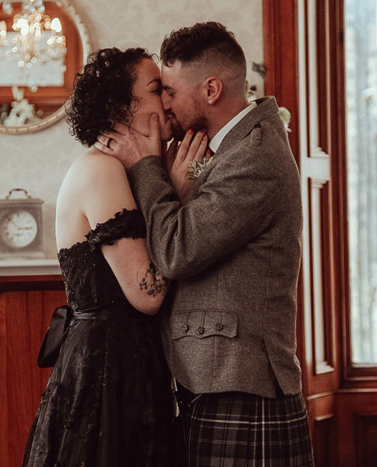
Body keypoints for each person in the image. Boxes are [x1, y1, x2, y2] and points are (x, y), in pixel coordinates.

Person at [95, 22, 315, 466]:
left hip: (240, 386)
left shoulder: (253, 158)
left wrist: (145, 165)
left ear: (211, 89)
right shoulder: (222, 147)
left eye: (171, 90)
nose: (166, 103)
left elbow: (176, 251)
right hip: (217, 381)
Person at [22, 47, 205, 467]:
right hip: (106, 373)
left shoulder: (127, 170)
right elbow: (150, 293)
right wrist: (177, 196)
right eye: (158, 88)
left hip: (132, 363)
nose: (169, 98)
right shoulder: (100, 169)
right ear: (121, 107)